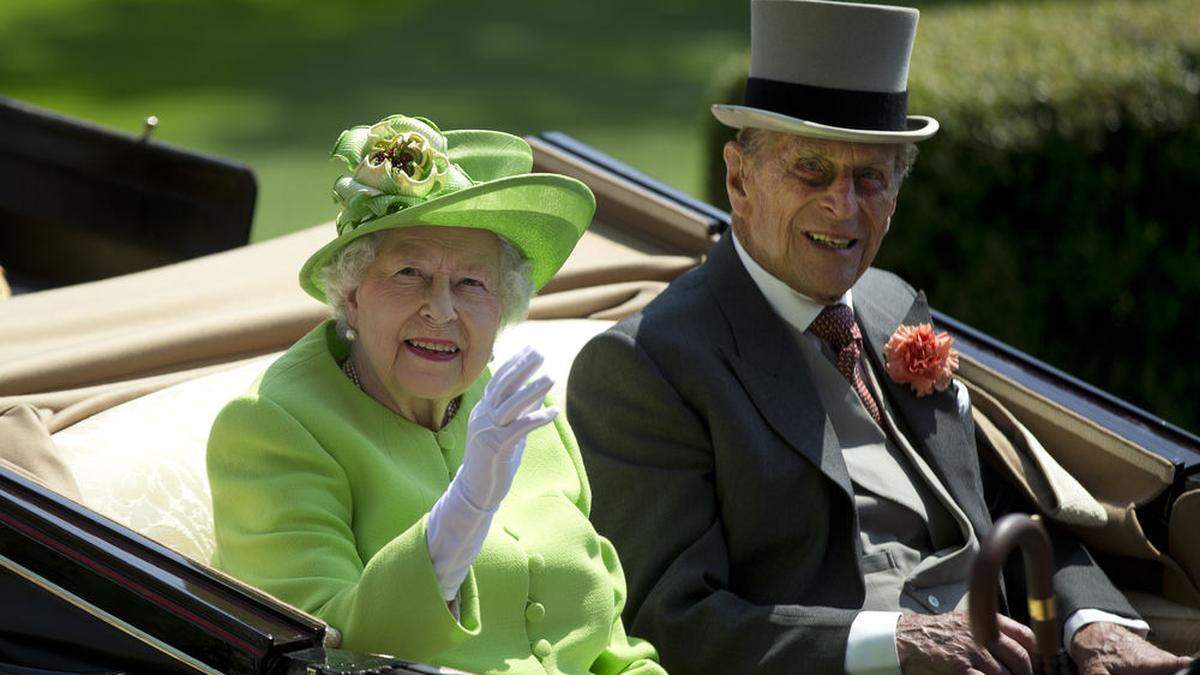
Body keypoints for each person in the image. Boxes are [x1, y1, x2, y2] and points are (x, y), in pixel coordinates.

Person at [566, 2, 1193, 674]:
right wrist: (891, 644)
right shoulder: (647, 366)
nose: (844, 205)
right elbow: (670, 621)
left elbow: (999, 501)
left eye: (871, 176)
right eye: (811, 169)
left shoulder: (890, 302)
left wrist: (1091, 623)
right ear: (739, 178)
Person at [208, 114, 666, 675]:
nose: (442, 310)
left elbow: (611, 647)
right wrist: (466, 509)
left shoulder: (520, 412)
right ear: (351, 296)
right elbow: (323, 655)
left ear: (504, 308)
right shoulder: (271, 429)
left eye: (472, 283)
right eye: (409, 273)